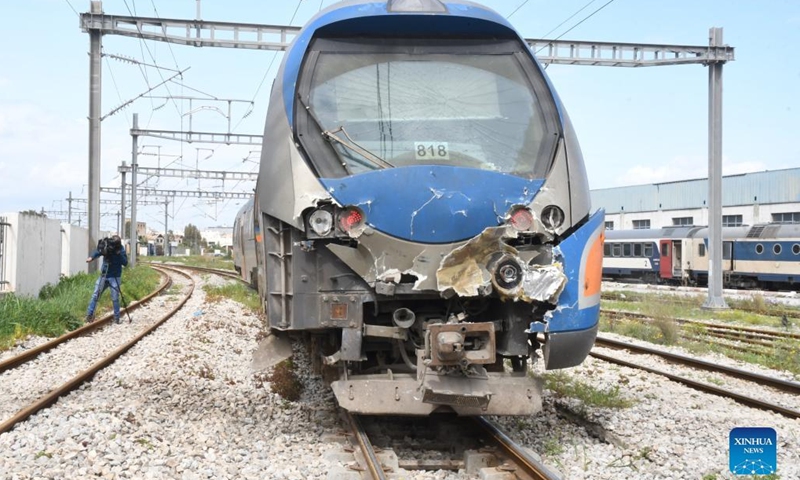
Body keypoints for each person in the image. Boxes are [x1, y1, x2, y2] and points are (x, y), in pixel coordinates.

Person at [85, 235, 128, 324]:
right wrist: (91, 257)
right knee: (96, 295)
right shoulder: (107, 245)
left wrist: (118, 254)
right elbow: (98, 251)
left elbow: (125, 263)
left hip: (115, 277)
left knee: (115, 298)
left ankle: (117, 317)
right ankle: (89, 314)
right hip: (104, 275)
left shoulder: (121, 249)